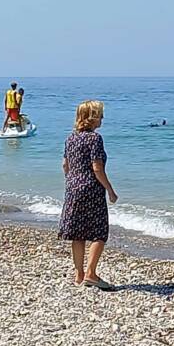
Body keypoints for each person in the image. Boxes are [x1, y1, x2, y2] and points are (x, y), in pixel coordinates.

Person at [59, 100, 118, 290]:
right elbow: (97, 168)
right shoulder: (95, 139)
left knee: (78, 233)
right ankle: (91, 273)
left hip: (72, 188)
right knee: (98, 232)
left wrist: (73, 181)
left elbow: (65, 166)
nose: (102, 118)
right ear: (92, 117)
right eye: (100, 114)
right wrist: (110, 189)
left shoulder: (70, 138)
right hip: (91, 188)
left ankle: (79, 275)